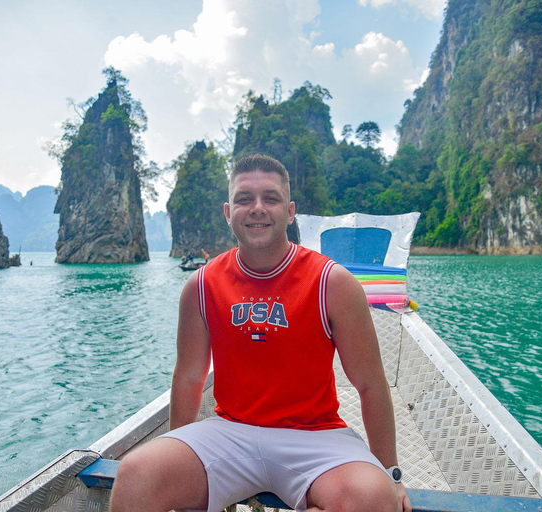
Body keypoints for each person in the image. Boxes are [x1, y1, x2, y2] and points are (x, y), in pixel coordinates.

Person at [111, 154, 411, 512]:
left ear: (290, 211)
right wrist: (180, 448)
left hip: (315, 437)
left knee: (372, 498)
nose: (257, 208)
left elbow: (370, 384)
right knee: (135, 475)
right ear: (228, 212)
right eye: (244, 199)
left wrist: (390, 473)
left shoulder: (331, 283)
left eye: (270, 198)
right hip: (230, 432)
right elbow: (190, 378)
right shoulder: (202, 285)